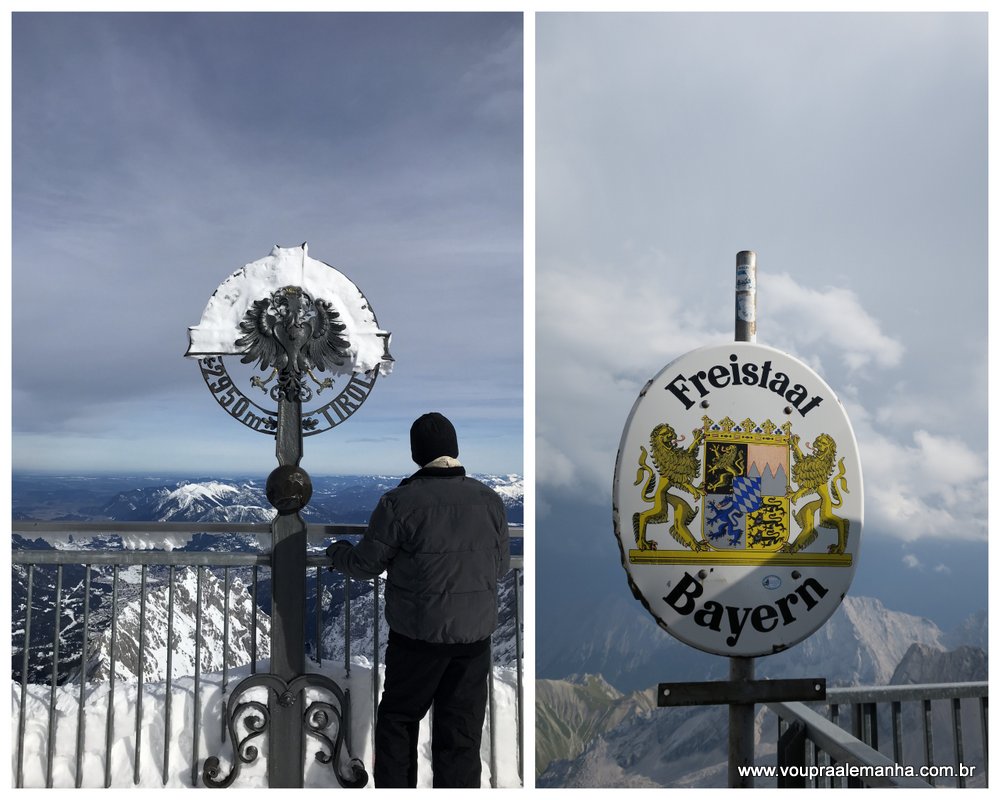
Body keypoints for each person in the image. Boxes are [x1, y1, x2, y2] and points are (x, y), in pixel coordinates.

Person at [326, 412, 510, 788]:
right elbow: (501, 565)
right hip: (474, 640)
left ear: (416, 453)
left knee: (399, 721)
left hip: (418, 637)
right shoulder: (490, 501)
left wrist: (338, 553)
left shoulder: (399, 503)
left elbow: (366, 564)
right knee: (460, 735)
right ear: (454, 450)